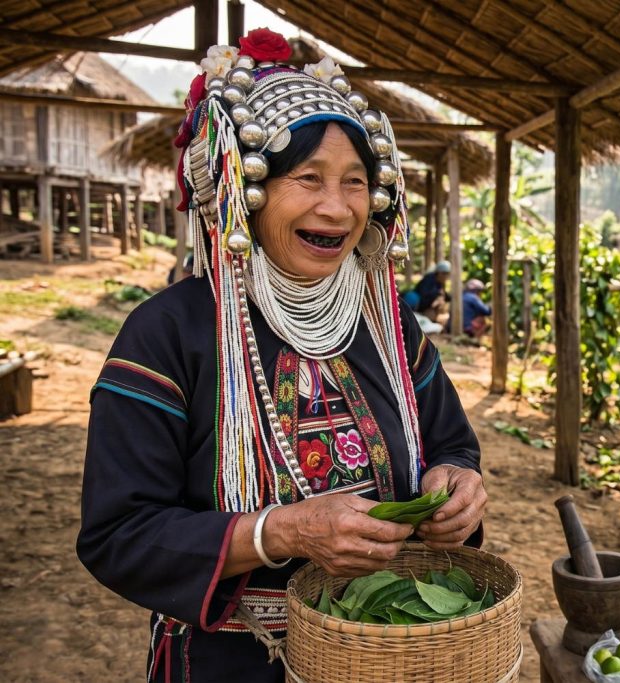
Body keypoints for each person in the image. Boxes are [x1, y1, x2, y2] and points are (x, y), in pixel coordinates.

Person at [76, 29, 486, 683]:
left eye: (356, 181)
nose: (337, 205)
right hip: (232, 661)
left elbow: (452, 445)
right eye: (309, 178)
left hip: (390, 652)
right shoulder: (169, 334)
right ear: (248, 190)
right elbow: (117, 533)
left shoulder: (387, 324)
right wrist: (280, 532)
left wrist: (458, 484)